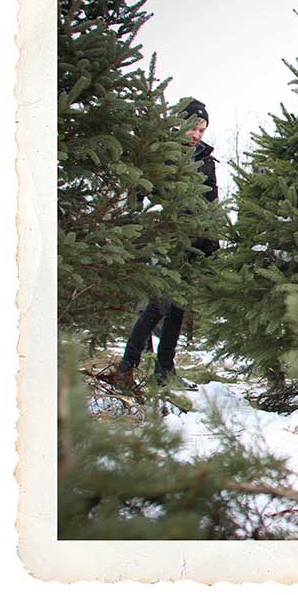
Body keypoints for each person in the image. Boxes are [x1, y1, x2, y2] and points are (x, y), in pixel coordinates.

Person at [104, 99, 219, 393]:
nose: (196, 134)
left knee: (177, 307)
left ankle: (164, 371)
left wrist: (212, 242)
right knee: (157, 305)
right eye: (193, 127)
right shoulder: (162, 153)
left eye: (202, 130)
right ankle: (126, 368)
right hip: (166, 240)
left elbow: (211, 202)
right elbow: (140, 194)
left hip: (194, 243)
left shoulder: (205, 158)